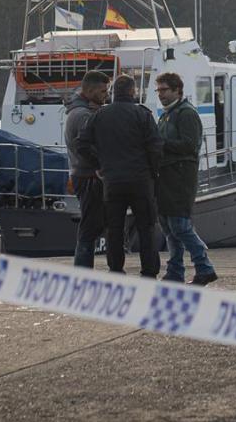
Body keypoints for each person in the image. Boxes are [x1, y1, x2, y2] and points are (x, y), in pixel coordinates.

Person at [77, 75, 163, 277]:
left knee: (114, 229)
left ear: (114, 92)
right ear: (133, 91)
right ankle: (149, 271)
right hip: (141, 181)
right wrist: (153, 172)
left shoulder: (100, 115)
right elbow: (156, 147)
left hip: (112, 181)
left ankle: (116, 269)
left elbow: (81, 144)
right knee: (146, 227)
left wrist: (99, 164)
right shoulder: (142, 114)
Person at [153, 72, 217, 286]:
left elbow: (190, 145)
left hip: (180, 178)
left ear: (177, 90)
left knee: (180, 225)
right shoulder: (167, 115)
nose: (160, 94)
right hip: (166, 176)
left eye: (164, 90)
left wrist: (160, 144)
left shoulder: (186, 113)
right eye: (158, 90)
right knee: (168, 227)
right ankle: (175, 271)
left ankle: (204, 267)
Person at [63, 70, 112, 267]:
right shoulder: (83, 115)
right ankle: (82, 270)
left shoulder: (78, 112)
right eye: (103, 91)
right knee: (89, 227)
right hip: (89, 176)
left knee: (91, 225)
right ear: (90, 91)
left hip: (83, 174)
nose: (106, 95)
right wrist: (101, 166)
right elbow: (86, 146)